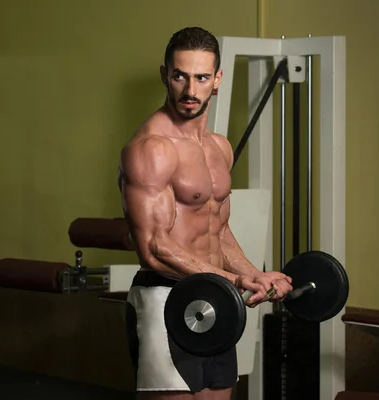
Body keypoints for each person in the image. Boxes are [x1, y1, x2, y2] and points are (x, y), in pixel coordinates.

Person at [118, 27, 293, 400]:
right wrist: (232, 281)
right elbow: (154, 247)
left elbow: (220, 229)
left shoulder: (219, 148)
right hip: (167, 299)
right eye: (180, 76)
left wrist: (253, 275)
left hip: (216, 299)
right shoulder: (151, 148)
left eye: (201, 78)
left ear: (217, 80)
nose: (190, 90)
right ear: (165, 75)